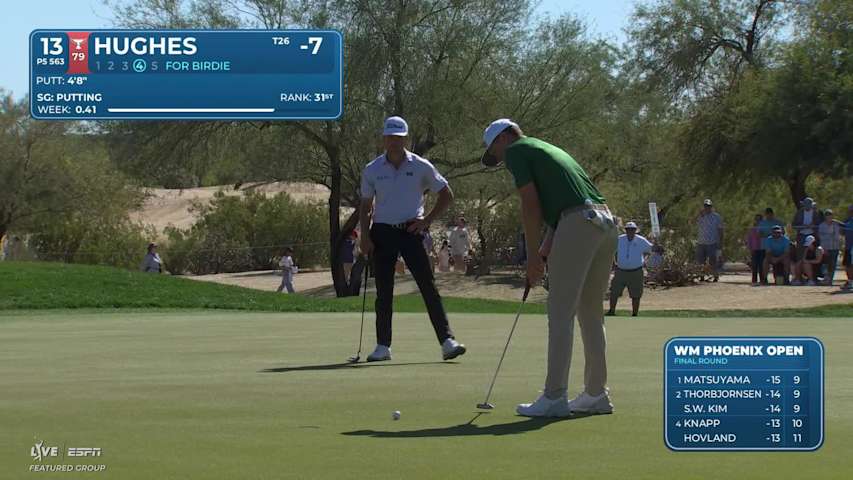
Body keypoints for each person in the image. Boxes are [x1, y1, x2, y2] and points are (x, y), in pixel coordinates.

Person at [480, 118, 617, 417]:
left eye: (496, 152)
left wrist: (530, 257)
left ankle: (555, 396)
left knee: (560, 312)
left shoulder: (517, 150)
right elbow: (568, 201)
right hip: (604, 223)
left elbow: (530, 205)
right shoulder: (549, 148)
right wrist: (546, 245)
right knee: (590, 314)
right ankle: (596, 394)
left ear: (504, 138)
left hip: (579, 224)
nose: (501, 160)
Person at [359, 116, 466, 362]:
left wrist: (427, 220)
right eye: (390, 137)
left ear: (405, 139)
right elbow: (365, 206)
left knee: (428, 286)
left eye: (398, 138)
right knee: (384, 291)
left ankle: (447, 341)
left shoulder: (420, 165)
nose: (394, 142)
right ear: (384, 139)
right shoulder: (372, 169)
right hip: (383, 232)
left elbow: (446, 195)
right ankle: (382, 346)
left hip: (411, 231)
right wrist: (364, 237)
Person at [607, 221, 652, 317]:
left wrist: (646, 260)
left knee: (636, 294)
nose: (630, 231)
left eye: (632, 230)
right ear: (625, 230)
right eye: (628, 229)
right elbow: (611, 251)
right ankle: (611, 311)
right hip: (621, 271)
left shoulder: (641, 240)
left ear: (635, 230)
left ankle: (635, 314)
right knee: (614, 292)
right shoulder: (619, 239)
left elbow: (651, 249)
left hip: (636, 271)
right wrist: (614, 263)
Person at [695, 199, 724, 281]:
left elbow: (720, 230)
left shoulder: (716, 217)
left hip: (712, 242)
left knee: (712, 260)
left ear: (711, 207)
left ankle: (715, 276)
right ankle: (701, 276)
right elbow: (691, 222)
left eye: (708, 206)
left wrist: (721, 242)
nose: (707, 207)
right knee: (700, 261)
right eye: (705, 206)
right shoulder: (700, 216)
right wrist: (698, 214)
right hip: (701, 242)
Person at [817, 209, 842, 286]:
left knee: (833, 264)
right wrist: (824, 247)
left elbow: (837, 236)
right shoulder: (821, 225)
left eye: (830, 215)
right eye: (827, 215)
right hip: (825, 247)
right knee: (826, 264)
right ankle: (826, 279)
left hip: (835, 247)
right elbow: (821, 237)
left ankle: (830, 280)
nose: (829, 216)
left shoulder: (836, 225)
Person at [745, 214, 765, 285]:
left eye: (760, 219)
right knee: (754, 265)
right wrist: (750, 248)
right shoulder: (752, 229)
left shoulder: (764, 228)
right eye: (757, 219)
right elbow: (749, 239)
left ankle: (763, 280)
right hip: (754, 249)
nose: (758, 221)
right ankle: (754, 280)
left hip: (762, 248)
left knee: (761, 265)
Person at [842, 205, 853, 291]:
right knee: (847, 264)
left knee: (851, 264)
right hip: (848, 245)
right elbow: (842, 231)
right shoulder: (847, 220)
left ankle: (851, 281)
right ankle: (849, 281)